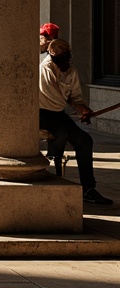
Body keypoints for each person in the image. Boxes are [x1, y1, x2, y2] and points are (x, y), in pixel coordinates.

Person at [39, 38, 112, 206]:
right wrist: (77, 109)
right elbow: (54, 98)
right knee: (61, 134)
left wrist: (83, 109)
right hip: (43, 113)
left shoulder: (71, 71)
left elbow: (75, 97)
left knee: (85, 141)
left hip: (58, 114)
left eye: (68, 55)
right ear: (53, 56)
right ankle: (52, 170)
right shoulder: (46, 69)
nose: (67, 60)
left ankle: (88, 189)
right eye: (62, 57)